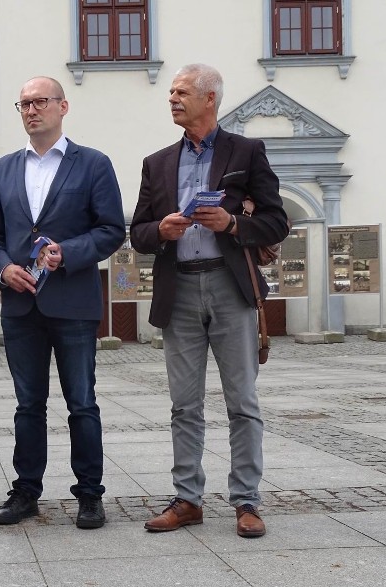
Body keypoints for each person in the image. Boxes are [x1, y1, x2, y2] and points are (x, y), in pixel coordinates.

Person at [130, 63, 289, 538]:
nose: (173, 99)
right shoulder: (157, 162)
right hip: (178, 287)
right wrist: (160, 229)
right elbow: (137, 232)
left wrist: (233, 224)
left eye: (182, 92)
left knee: (242, 400)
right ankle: (187, 499)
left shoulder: (246, 151)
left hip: (229, 286)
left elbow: (277, 222)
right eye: (171, 93)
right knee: (184, 404)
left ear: (210, 99)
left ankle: (246, 500)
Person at [0, 76, 126, 529]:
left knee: (81, 402)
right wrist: (2, 268)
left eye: (40, 101)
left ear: (63, 106)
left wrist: (69, 254)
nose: (31, 110)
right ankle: (26, 491)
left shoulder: (93, 164)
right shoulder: (3, 168)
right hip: (21, 305)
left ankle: (89, 494)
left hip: (73, 302)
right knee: (28, 404)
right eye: (23, 103)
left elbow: (111, 230)